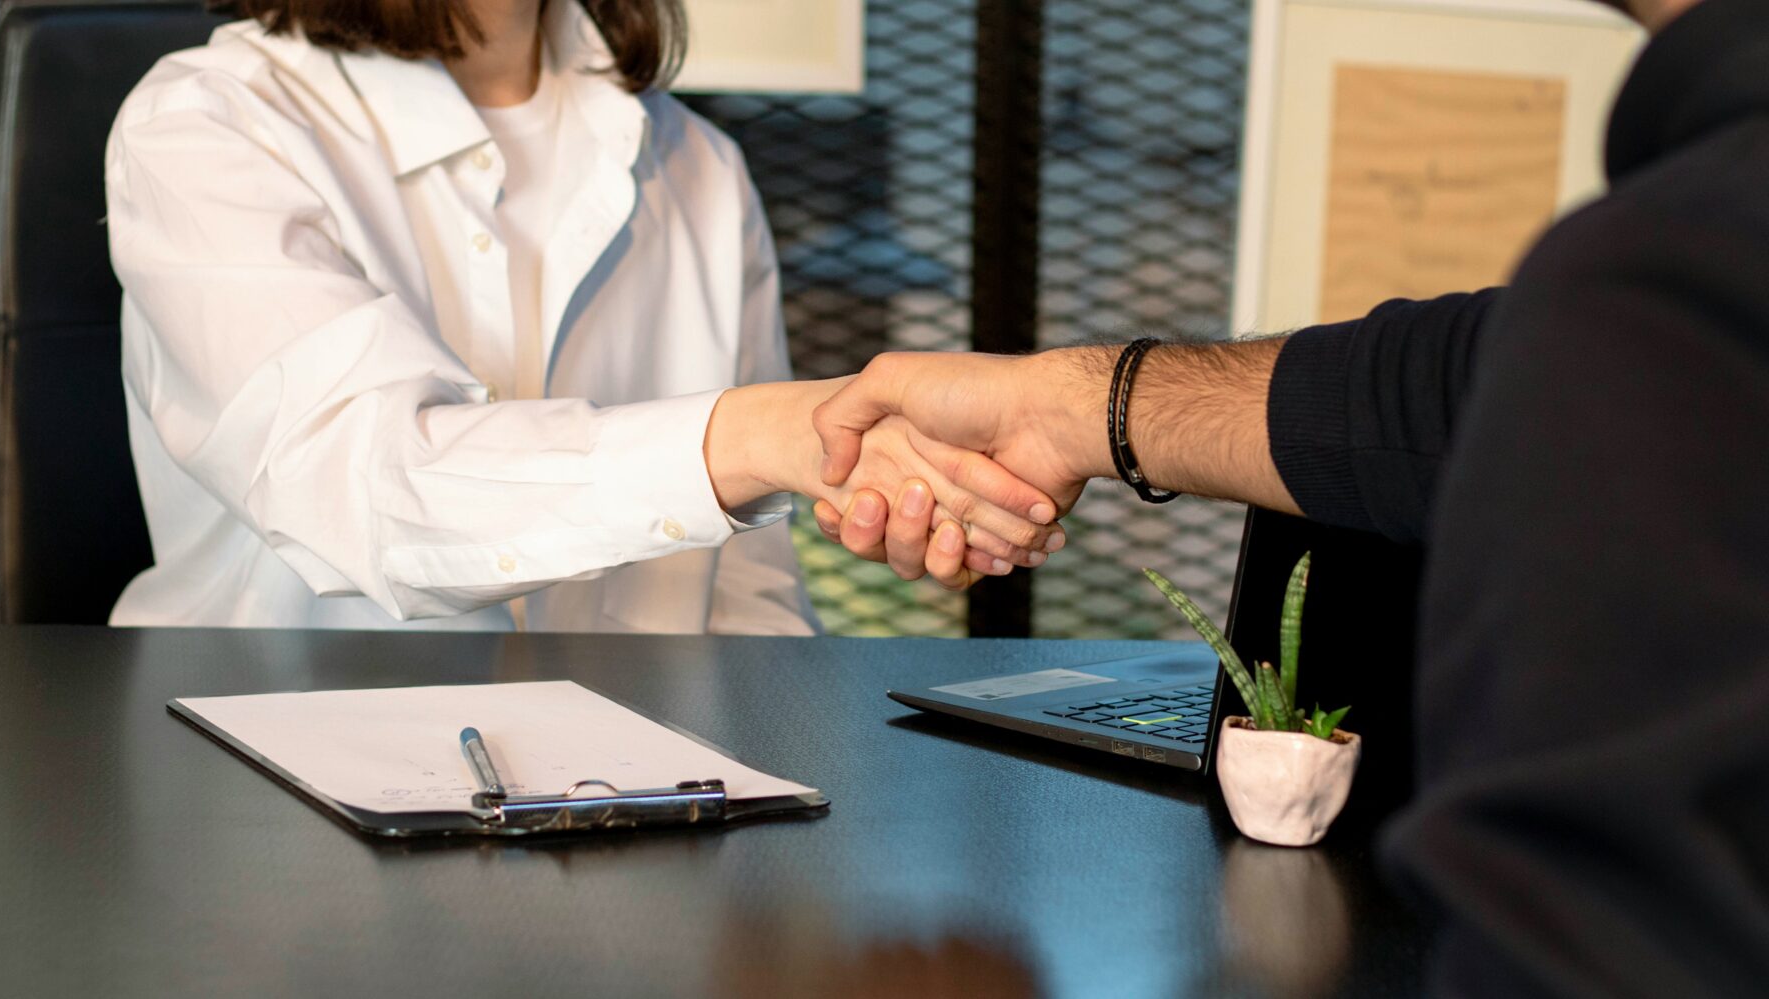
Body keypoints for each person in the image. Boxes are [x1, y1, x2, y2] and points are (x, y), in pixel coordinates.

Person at [811, 0, 1769, 993]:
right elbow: (1467, 388)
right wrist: (1065, 408)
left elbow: (1588, 933)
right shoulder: (1683, 254)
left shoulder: (1683, 260)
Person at [105, 0, 1059, 634]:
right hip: (272, 805)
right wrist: (757, 435)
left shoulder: (701, 168)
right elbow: (369, 488)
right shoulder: (204, 124)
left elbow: (751, 599)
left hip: (628, 818)